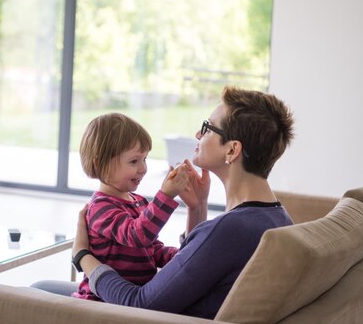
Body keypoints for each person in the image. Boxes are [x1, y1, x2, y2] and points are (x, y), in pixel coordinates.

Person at [70, 86, 295, 319]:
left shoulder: (230, 230)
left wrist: (83, 257)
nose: (198, 133)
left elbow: (138, 304)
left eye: (208, 127)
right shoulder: (277, 217)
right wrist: (198, 207)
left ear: (232, 150)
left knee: (38, 290)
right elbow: (193, 268)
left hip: (133, 311)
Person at [72, 113, 191, 300]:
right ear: (100, 163)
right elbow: (137, 236)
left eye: (145, 159)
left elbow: (151, 250)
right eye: (134, 161)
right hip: (100, 302)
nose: (143, 168)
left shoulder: (140, 201)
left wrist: (182, 255)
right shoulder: (100, 208)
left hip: (130, 299)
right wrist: (166, 195)